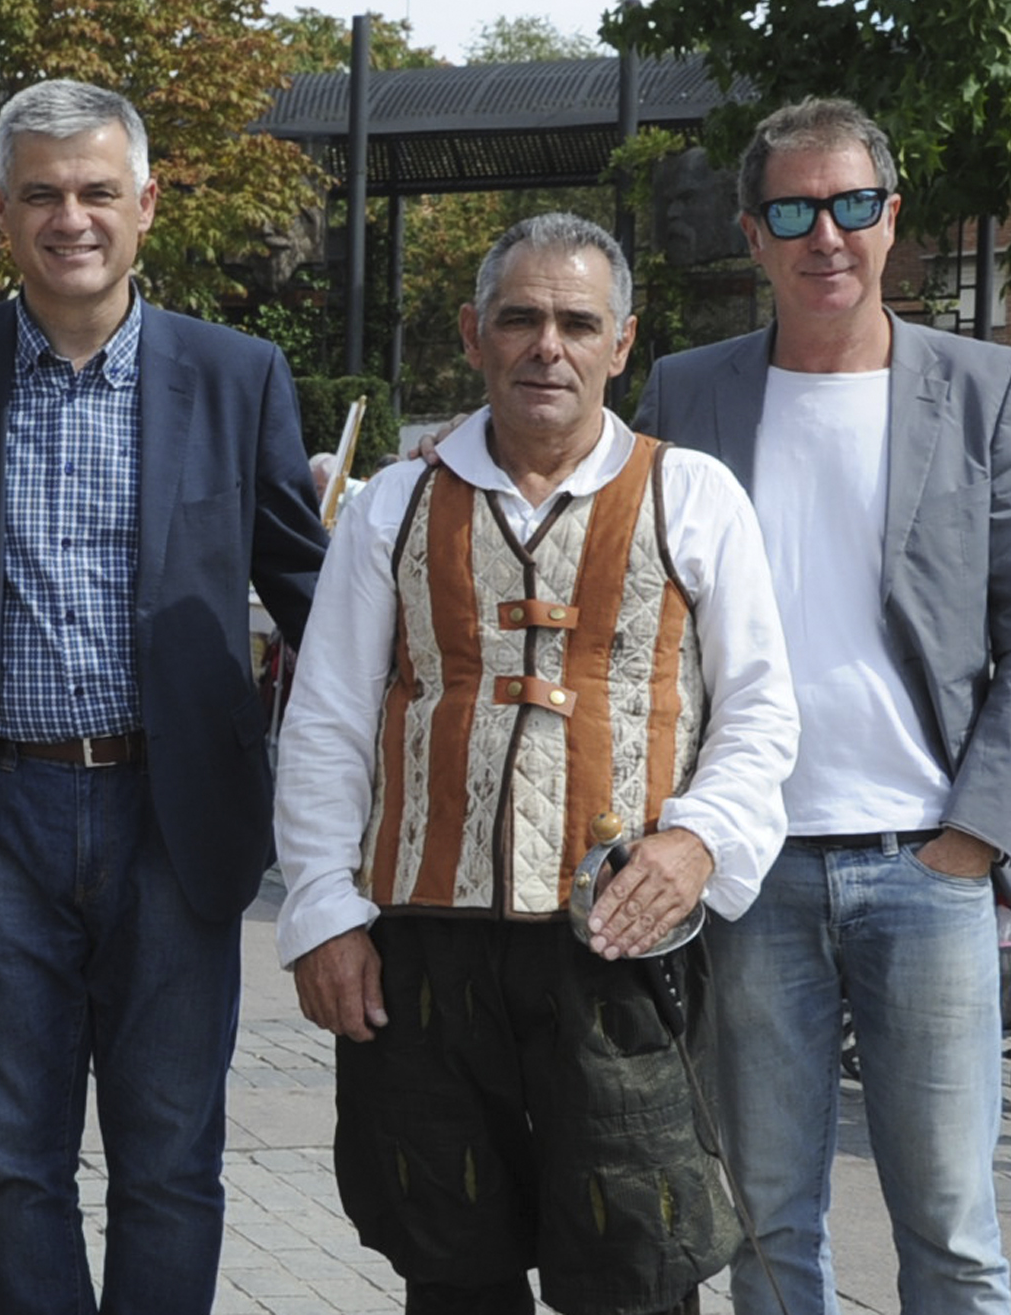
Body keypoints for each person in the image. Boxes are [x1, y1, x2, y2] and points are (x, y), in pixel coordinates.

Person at [276, 213, 800, 1315]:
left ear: (623, 343)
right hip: (422, 950)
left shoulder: (695, 494)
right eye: (519, 319)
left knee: (636, 1265)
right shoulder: (393, 505)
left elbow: (759, 713)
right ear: (474, 335)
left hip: (619, 945)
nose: (546, 347)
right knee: (449, 1262)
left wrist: (697, 842)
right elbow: (326, 721)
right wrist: (322, 913)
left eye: (577, 323)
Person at [0, 78, 328, 1314]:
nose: (69, 218)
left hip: (173, 821)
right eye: (40, 194)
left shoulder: (235, 374)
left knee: (169, 1163)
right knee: (14, 1161)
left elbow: (306, 584)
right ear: (0, 211)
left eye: (95, 191)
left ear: (146, 202)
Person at [634, 97, 1011, 1315]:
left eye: (852, 205)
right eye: (793, 212)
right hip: (747, 869)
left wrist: (974, 839)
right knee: (764, 1224)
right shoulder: (686, 392)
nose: (826, 236)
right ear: (752, 235)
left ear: (890, 217)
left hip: (926, 865)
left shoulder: (986, 389)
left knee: (952, 1230)